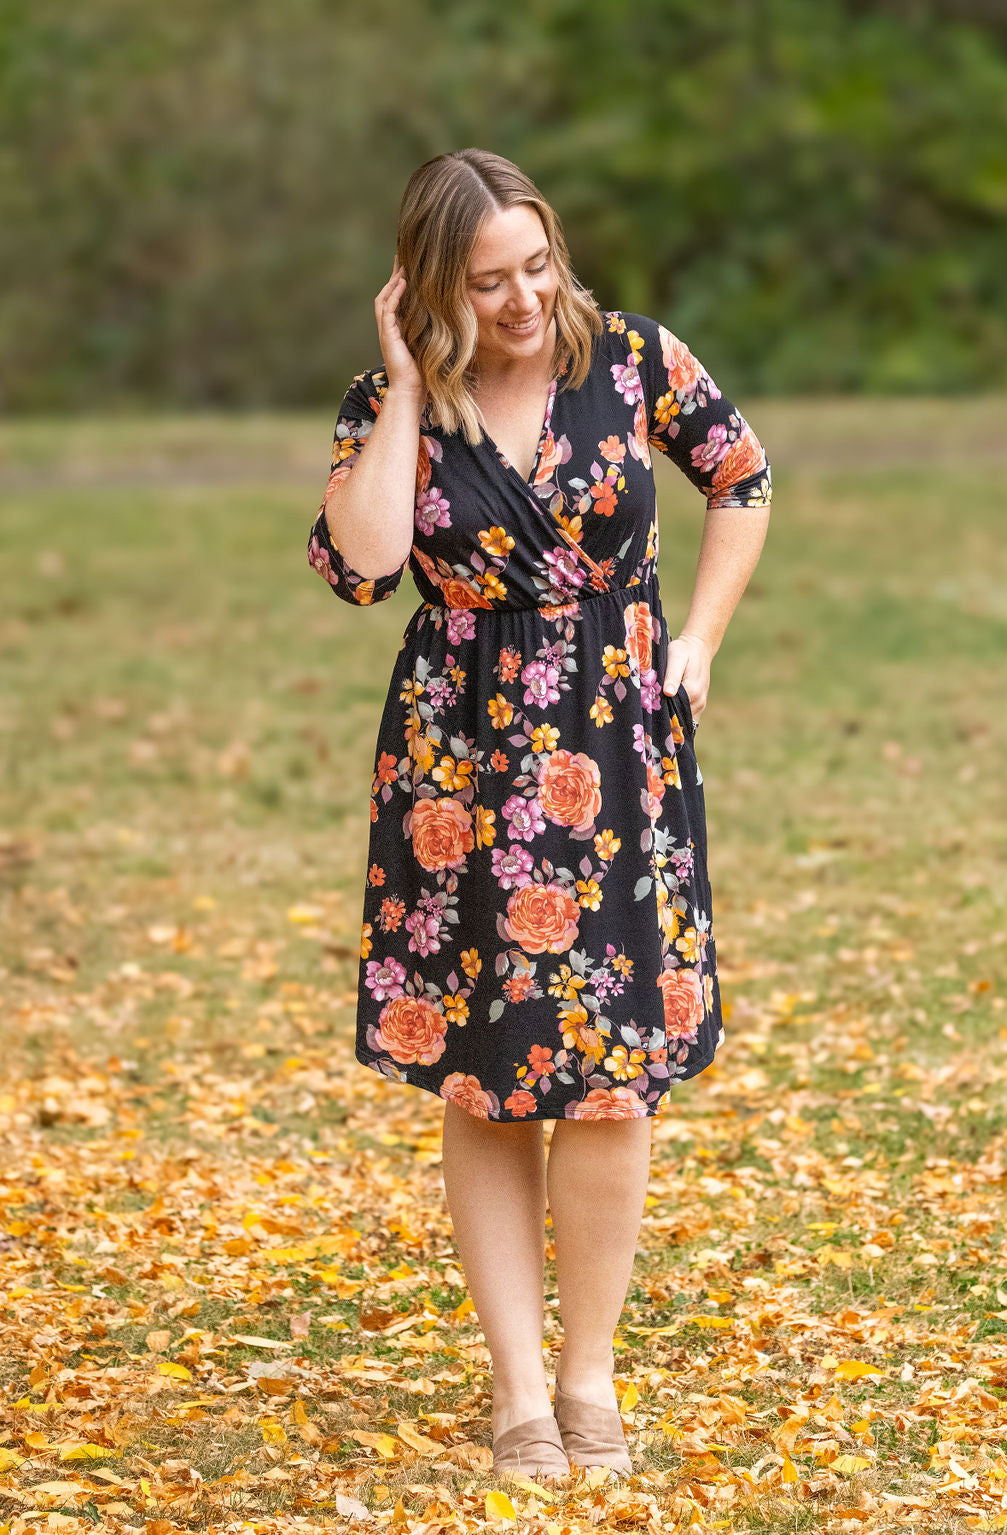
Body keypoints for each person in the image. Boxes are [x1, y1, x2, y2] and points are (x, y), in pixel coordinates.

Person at [307, 149, 771, 1480]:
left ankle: (588, 1379)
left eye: (535, 267)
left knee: (613, 1081)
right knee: (489, 1078)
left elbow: (742, 478)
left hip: (618, 747)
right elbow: (364, 566)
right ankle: (517, 1392)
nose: (522, 300)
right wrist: (402, 384)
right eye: (487, 281)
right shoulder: (394, 401)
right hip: (462, 765)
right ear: (433, 286)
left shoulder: (634, 361)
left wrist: (701, 640)